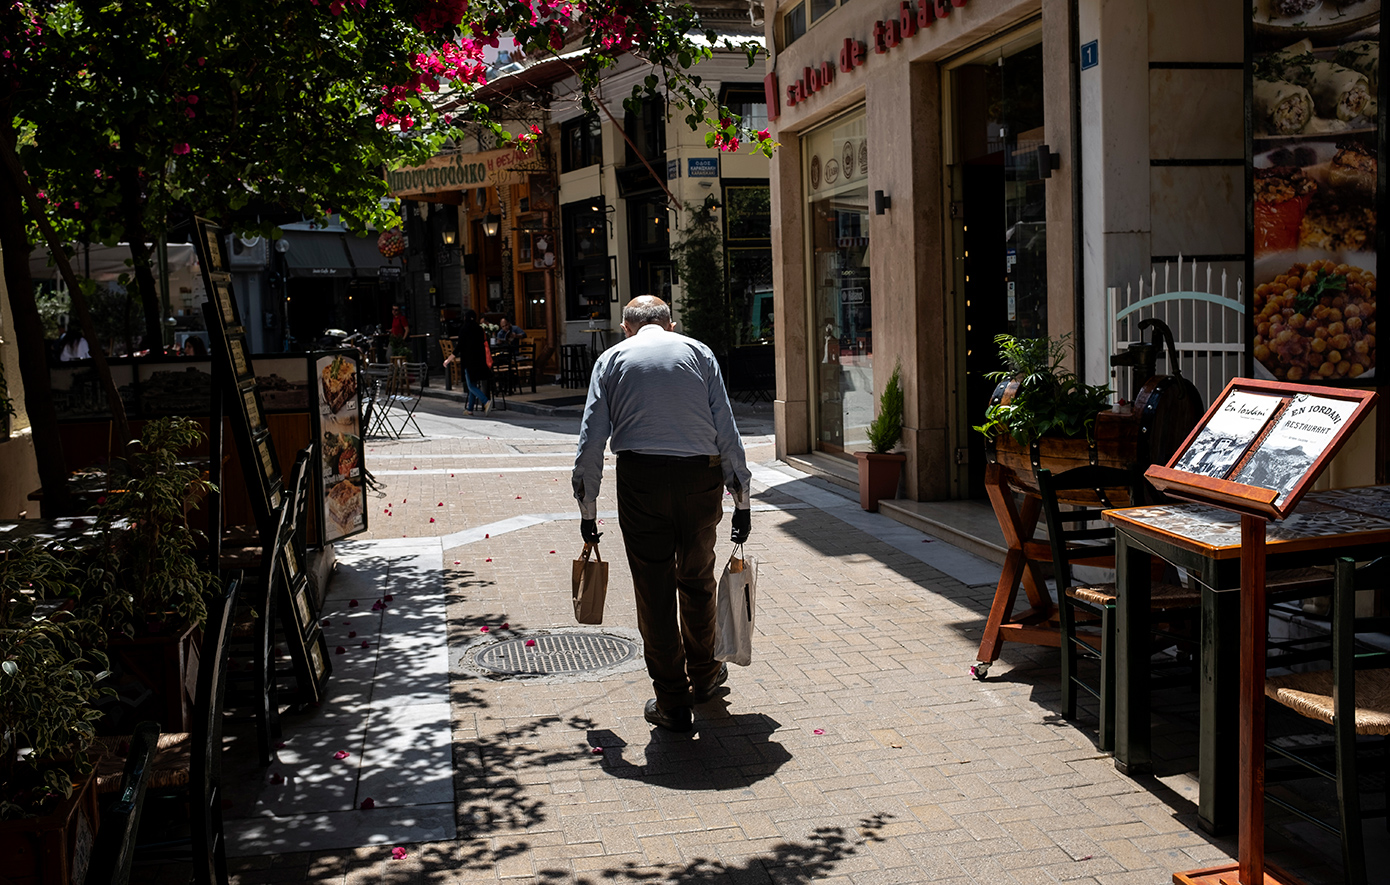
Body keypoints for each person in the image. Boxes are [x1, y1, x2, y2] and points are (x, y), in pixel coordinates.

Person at [572, 295, 752, 733]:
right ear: (671, 324)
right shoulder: (698, 352)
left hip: (641, 480)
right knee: (697, 578)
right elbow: (726, 429)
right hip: (699, 478)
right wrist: (742, 500)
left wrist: (588, 509)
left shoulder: (611, 360)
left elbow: (591, 439)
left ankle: (672, 701)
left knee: (653, 589)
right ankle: (705, 676)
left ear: (626, 328)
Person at [445, 308, 492, 415]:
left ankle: (485, 401)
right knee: (473, 384)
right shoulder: (479, 329)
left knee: (470, 385)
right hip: (479, 360)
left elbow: (459, 346)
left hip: (468, 361)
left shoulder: (464, 329)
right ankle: (470, 409)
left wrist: (449, 359)